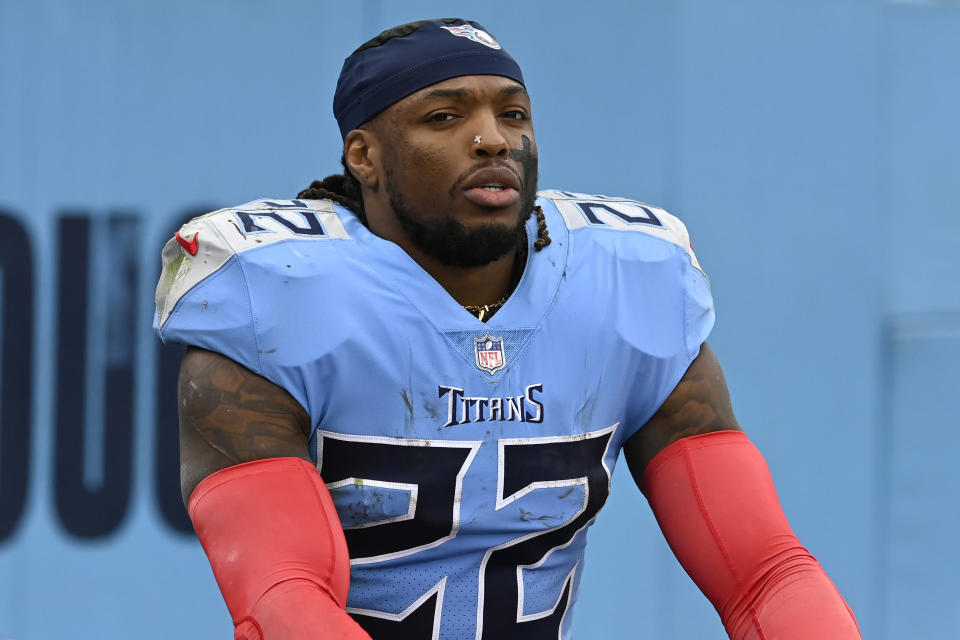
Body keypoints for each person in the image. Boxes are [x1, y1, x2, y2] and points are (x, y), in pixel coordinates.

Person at [154, 18, 861, 640]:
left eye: (514, 114)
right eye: (444, 117)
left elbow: (765, 573)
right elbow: (282, 602)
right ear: (363, 156)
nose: (493, 139)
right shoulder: (277, 296)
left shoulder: (625, 285)